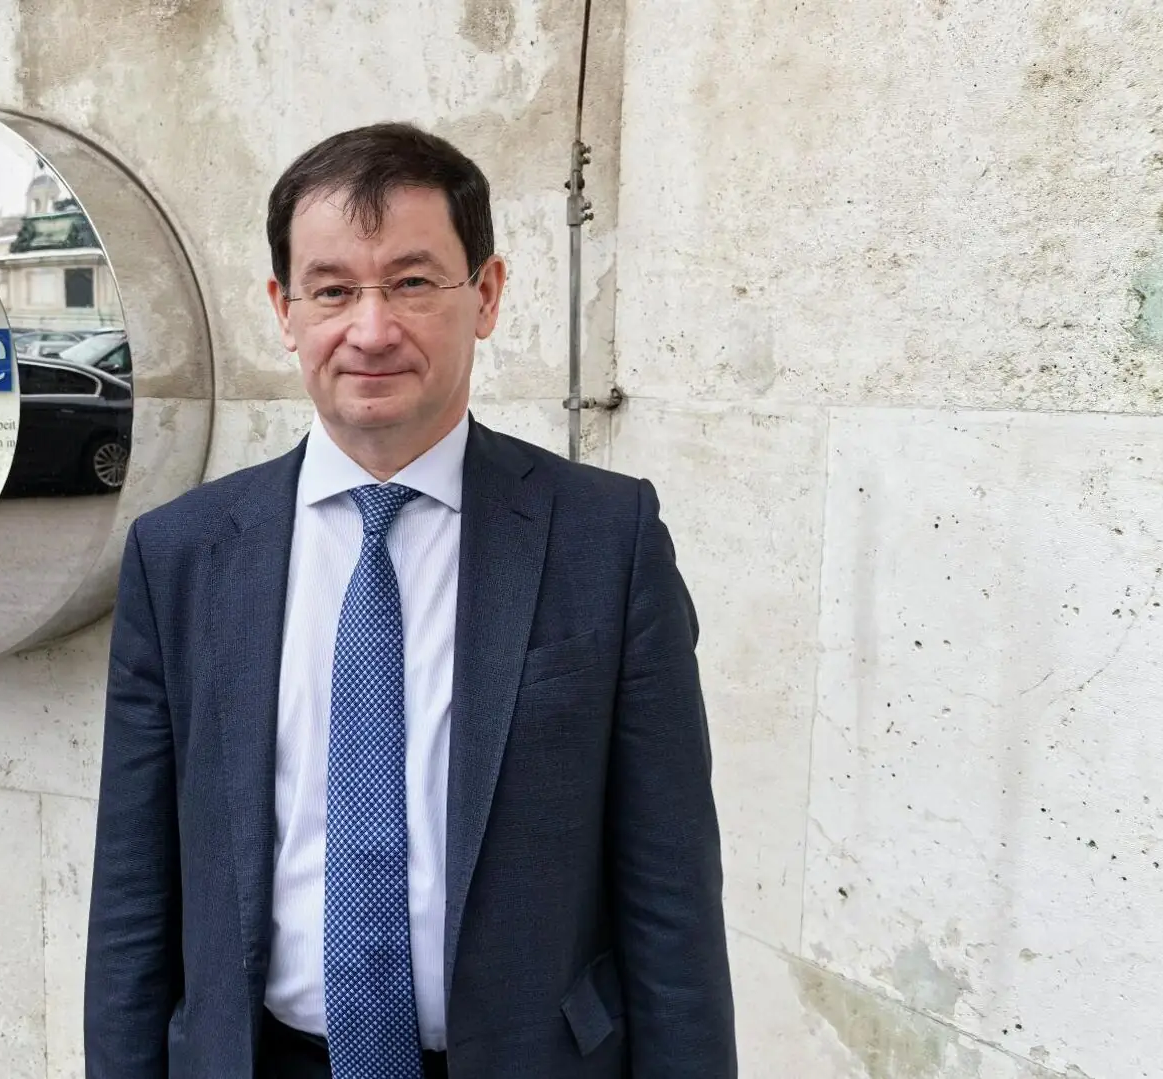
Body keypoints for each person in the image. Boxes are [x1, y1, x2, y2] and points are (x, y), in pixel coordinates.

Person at [84, 123, 736, 1079]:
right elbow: (133, 898)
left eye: (413, 282)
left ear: (488, 295)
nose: (372, 329)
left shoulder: (607, 539)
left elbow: (671, 897)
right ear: (284, 309)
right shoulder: (182, 555)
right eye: (332, 289)